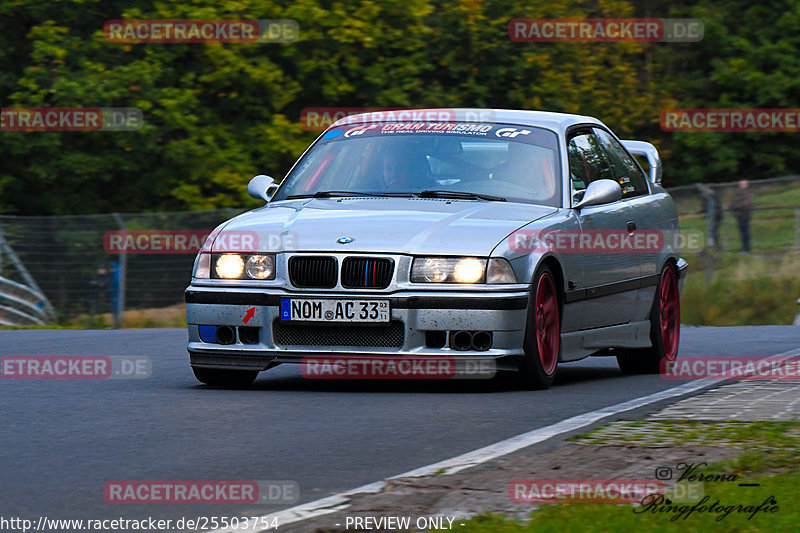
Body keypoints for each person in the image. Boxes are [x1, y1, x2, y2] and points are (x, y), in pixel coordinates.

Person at [696, 183, 722, 251]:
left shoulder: (712, 195)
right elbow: (705, 206)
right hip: (712, 216)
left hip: (716, 216)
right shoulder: (706, 196)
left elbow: (715, 206)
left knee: (713, 232)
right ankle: (716, 247)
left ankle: (713, 247)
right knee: (713, 232)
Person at [729, 179, 753, 253]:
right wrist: (732, 206)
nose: (741, 185)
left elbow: (745, 204)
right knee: (741, 232)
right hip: (738, 215)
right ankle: (744, 248)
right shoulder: (738, 193)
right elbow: (733, 203)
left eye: (743, 184)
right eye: (741, 184)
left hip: (744, 215)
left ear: (747, 185)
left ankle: (747, 249)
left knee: (745, 232)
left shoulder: (748, 193)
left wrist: (735, 206)